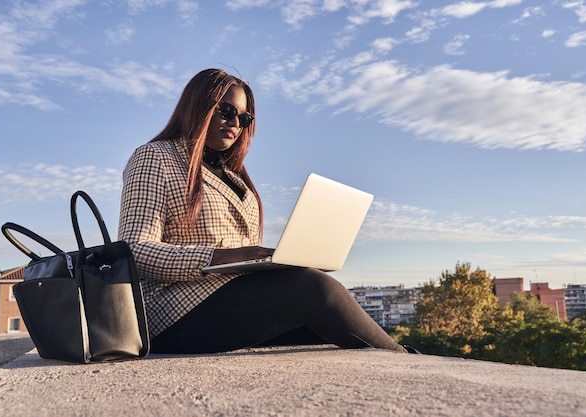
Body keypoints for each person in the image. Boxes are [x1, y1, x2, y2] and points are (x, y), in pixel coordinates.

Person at [118, 68, 411, 354]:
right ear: (198, 106)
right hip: (172, 312)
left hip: (230, 303)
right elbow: (134, 251)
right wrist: (225, 257)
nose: (236, 123)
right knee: (315, 290)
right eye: (227, 111)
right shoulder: (155, 157)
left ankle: (399, 355)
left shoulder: (235, 179)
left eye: (244, 118)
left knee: (330, 322)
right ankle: (406, 358)